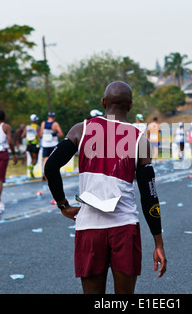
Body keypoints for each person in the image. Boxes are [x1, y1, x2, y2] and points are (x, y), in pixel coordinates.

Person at [44, 81, 166, 294]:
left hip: (89, 227)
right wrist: (158, 243)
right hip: (124, 227)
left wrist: (63, 205)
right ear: (130, 106)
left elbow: (51, 166)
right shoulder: (139, 139)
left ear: (103, 103)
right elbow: (150, 194)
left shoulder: (80, 130)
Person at [40, 112, 64, 179]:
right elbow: (61, 134)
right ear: (54, 117)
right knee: (54, 159)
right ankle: (54, 173)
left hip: (45, 144)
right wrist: (54, 134)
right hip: (53, 144)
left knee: (45, 158)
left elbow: (41, 135)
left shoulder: (43, 123)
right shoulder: (55, 124)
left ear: (48, 117)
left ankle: (44, 172)